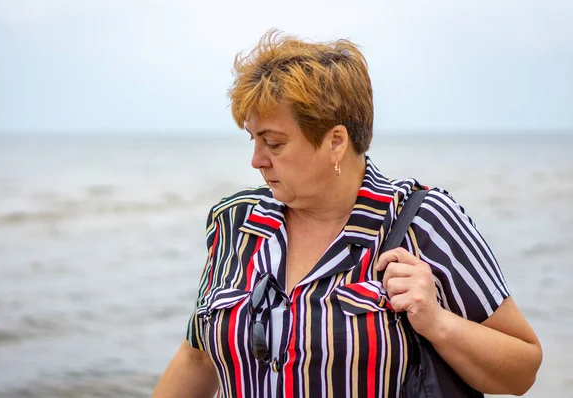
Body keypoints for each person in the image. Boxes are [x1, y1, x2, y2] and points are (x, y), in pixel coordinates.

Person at [153, 30, 542, 398]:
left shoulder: (423, 221)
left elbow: (522, 369)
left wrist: (438, 322)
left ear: (335, 141)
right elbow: (198, 357)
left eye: (274, 143)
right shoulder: (235, 221)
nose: (256, 161)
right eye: (253, 140)